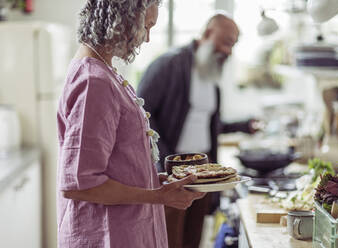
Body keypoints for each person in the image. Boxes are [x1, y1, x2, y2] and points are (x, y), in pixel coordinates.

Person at [56, 1, 205, 247]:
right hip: (108, 237)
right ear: (122, 19)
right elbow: (79, 184)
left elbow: (115, 164)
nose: (146, 39)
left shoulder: (105, 72)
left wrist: (155, 182)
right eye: (145, 27)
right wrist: (157, 196)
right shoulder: (95, 82)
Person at [138, 13, 260, 248]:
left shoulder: (210, 72)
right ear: (206, 34)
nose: (228, 51)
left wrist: (244, 126)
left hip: (204, 170)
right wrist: (162, 160)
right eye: (225, 42)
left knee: (193, 239)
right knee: (170, 240)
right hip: (173, 170)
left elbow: (208, 123)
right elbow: (142, 112)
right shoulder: (169, 64)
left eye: (232, 44)